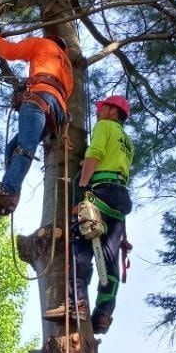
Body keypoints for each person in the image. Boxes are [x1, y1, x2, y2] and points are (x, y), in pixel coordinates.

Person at [43, 95, 134, 335]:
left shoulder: (105, 126)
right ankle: (103, 314)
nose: (98, 112)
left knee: (81, 246)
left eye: (103, 108)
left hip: (100, 192)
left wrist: (83, 185)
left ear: (113, 111)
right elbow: (110, 159)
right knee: (110, 258)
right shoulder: (127, 141)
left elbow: (95, 153)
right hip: (120, 199)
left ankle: (77, 303)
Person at [0, 32, 73, 214]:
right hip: (56, 112)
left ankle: (8, 190)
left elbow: (10, 51)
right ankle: (9, 197)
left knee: (24, 148)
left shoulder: (42, 44)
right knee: (14, 148)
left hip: (39, 98)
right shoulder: (66, 65)